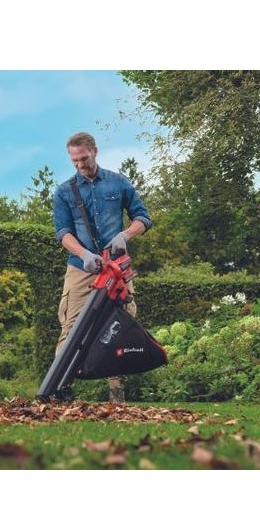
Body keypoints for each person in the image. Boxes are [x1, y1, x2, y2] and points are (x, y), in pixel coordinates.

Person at [53, 132, 152, 403]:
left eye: (83, 158)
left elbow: (143, 217)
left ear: (95, 151)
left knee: (119, 325)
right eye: (74, 161)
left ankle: (117, 395)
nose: (80, 165)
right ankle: (59, 389)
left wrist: (126, 235)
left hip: (116, 267)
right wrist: (83, 253)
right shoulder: (64, 191)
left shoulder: (118, 183)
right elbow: (62, 232)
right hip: (80, 268)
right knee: (71, 325)